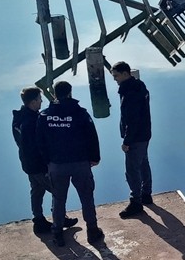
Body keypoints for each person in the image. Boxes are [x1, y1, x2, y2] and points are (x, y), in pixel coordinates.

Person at [38, 81, 104, 246]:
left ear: (54, 94)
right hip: (80, 162)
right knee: (86, 197)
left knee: (58, 199)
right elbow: (92, 136)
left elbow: (40, 142)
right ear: (70, 93)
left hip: (57, 165)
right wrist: (95, 157)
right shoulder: (81, 113)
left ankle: (57, 233)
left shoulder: (45, 116)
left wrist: (47, 162)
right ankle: (92, 230)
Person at [11, 87, 75, 235]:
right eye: (40, 99)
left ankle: (38, 220)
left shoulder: (19, 118)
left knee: (36, 191)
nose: (41, 101)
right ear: (33, 102)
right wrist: (47, 164)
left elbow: (22, 143)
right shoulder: (32, 122)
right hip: (38, 165)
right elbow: (38, 146)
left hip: (27, 164)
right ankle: (60, 218)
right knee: (57, 191)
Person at [110, 61, 153, 218]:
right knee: (143, 163)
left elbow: (132, 120)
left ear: (125, 74)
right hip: (144, 134)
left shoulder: (130, 92)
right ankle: (146, 194)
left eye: (116, 76)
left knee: (132, 170)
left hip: (135, 137)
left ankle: (136, 202)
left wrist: (127, 141)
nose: (114, 79)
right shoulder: (140, 86)